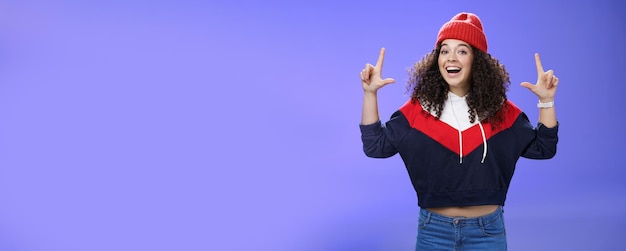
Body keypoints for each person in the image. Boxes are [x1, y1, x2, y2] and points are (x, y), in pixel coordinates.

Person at [358, 12, 559, 250]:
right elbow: (375, 147)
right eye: (444, 50)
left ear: (477, 60)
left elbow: (544, 148)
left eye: (462, 50)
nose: (451, 58)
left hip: (487, 232)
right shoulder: (418, 111)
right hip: (433, 231)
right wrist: (370, 94)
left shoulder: (501, 112)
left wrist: (546, 102)